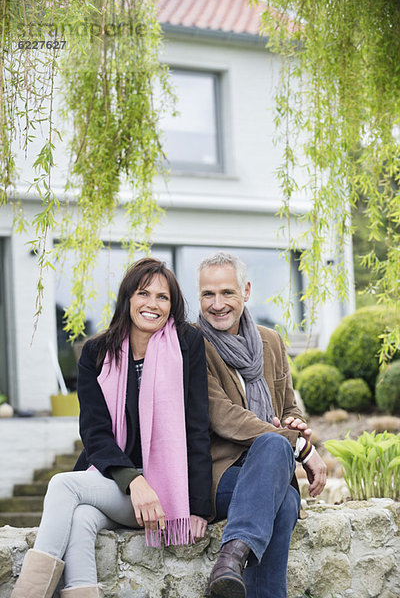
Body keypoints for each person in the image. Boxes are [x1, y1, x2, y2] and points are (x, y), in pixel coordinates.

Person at [11, 258, 212, 598]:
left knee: (63, 485)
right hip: (115, 481)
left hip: (163, 488)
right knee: (81, 519)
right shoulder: (96, 352)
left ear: (172, 305)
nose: (152, 304)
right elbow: (95, 432)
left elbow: (196, 426)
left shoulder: (186, 345)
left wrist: (199, 507)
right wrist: (133, 480)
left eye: (162, 297)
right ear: (127, 298)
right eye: (143, 293)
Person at [196, 252, 327, 598]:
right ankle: (231, 561)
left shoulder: (271, 341)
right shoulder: (192, 343)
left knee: (282, 495)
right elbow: (221, 415)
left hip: (270, 470)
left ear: (246, 291)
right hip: (221, 474)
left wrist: (294, 423)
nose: (217, 304)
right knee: (280, 484)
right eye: (208, 294)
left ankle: (229, 562)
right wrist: (299, 445)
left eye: (227, 292)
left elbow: (288, 405)